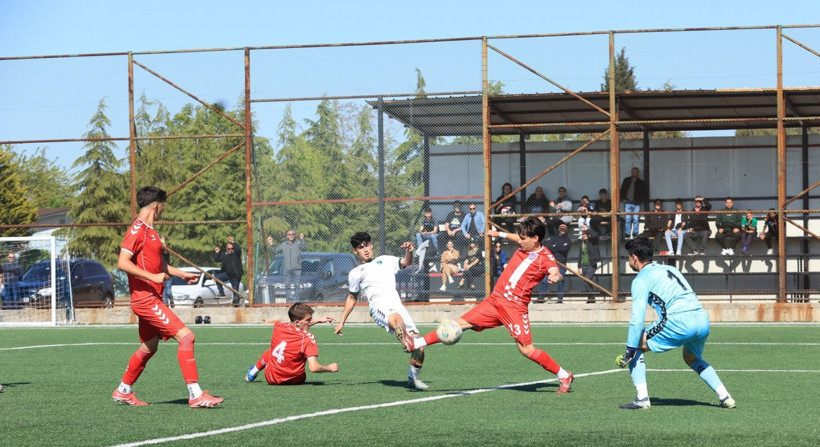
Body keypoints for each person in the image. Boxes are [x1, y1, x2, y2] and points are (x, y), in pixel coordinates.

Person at [402, 217, 574, 393]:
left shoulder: (546, 258)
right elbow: (516, 237)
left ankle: (563, 375)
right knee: (457, 324)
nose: (519, 241)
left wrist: (555, 277)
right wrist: (497, 233)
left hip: (515, 307)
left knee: (527, 350)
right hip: (495, 301)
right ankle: (415, 343)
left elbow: (555, 271)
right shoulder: (525, 243)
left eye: (523, 238)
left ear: (535, 238)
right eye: (519, 237)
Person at [112, 186, 223, 408]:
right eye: (163, 207)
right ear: (157, 206)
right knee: (186, 337)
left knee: (149, 347)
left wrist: (180, 273)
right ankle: (195, 394)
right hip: (145, 299)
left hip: (153, 297)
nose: (163, 211)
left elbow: (158, 264)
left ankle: (123, 390)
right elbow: (122, 263)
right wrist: (153, 276)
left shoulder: (151, 232)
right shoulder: (137, 230)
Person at [615, 236, 736, 410]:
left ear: (634, 257)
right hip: (702, 319)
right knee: (691, 358)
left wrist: (629, 350)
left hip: (679, 321)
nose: (629, 260)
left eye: (628, 257)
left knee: (637, 346)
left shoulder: (640, 279)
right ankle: (725, 396)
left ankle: (642, 399)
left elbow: (637, 318)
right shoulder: (670, 268)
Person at [334, 232, 428, 389]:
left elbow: (406, 261)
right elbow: (352, 298)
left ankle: (413, 379)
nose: (365, 249)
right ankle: (404, 338)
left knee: (419, 348)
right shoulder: (356, 273)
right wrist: (342, 321)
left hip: (397, 305)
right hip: (379, 307)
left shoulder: (385, 260)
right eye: (360, 247)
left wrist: (410, 250)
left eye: (367, 245)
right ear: (355, 251)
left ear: (371, 245)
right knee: (396, 318)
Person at [245, 303, 339, 385]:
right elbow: (314, 368)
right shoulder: (308, 338)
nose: (310, 321)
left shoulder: (278, 326)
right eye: (308, 320)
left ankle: (253, 372)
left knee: (273, 350)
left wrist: (317, 320)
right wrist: (330, 368)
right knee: (290, 351)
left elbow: (293, 326)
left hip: (271, 378)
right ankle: (254, 371)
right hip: (296, 380)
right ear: (298, 322)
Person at [269, 230, 307, 300]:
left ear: (294, 235)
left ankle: (296, 300)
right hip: (287, 269)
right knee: (287, 285)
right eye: (289, 234)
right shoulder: (284, 245)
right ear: (287, 236)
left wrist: (302, 239)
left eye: (292, 234)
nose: (291, 236)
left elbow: (304, 248)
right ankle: (289, 299)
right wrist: (271, 243)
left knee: (297, 285)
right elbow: (275, 251)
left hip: (297, 268)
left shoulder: (298, 243)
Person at [541, 222, 571, 303]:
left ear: (566, 230)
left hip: (562, 264)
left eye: (564, 229)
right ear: (558, 229)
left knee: (560, 282)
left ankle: (559, 300)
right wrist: (560, 246)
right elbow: (549, 247)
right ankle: (541, 298)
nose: (562, 230)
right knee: (545, 281)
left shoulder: (568, 240)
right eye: (561, 228)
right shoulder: (553, 238)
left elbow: (565, 249)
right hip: (552, 263)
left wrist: (556, 246)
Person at [620, 167, 649, 239]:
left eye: (636, 172)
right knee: (627, 218)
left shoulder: (641, 182)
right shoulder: (626, 180)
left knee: (636, 218)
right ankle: (627, 233)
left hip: (636, 203)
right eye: (633, 171)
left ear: (638, 173)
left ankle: (635, 233)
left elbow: (645, 193)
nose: (634, 173)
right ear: (631, 172)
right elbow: (622, 190)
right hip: (627, 202)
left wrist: (640, 201)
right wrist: (622, 198)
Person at [213, 241, 244, 305]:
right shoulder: (224, 255)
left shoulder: (236, 254)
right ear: (226, 249)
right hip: (227, 274)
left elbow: (238, 249)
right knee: (217, 278)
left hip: (235, 276)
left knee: (235, 291)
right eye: (229, 249)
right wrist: (217, 252)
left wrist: (233, 242)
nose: (230, 250)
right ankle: (221, 293)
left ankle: (235, 304)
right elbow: (216, 260)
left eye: (232, 248)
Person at [578, 227, 601, 303]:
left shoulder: (593, 241)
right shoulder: (582, 243)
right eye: (583, 234)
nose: (584, 235)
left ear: (588, 234)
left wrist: (587, 229)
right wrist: (579, 266)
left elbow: (595, 236)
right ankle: (590, 297)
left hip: (591, 264)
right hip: (584, 264)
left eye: (585, 234)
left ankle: (592, 297)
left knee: (587, 281)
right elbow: (580, 255)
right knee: (586, 282)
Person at [160, 237, 173, 306]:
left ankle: (172, 302)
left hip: (168, 274)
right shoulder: (157, 252)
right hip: (161, 275)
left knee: (168, 292)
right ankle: (166, 306)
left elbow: (166, 251)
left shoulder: (165, 252)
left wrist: (163, 243)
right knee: (164, 292)